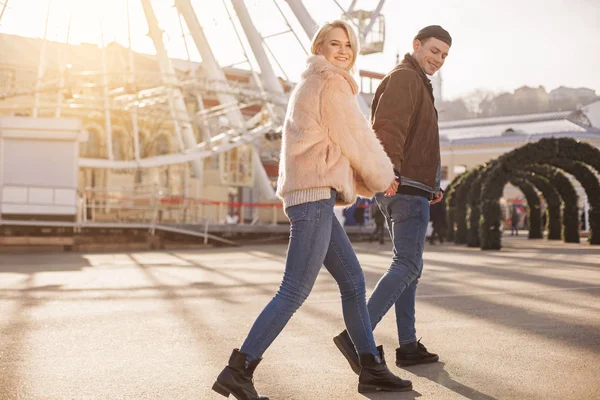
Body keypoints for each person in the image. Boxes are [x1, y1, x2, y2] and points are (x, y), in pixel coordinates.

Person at [212, 20, 412, 400]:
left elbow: (336, 143)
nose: (342, 51)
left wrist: (371, 178)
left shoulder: (308, 82)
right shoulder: (331, 83)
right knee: (293, 290)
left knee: (353, 282)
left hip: (311, 195)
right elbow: (358, 140)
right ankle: (239, 369)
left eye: (348, 46)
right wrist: (384, 176)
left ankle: (370, 367)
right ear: (318, 47)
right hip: (313, 196)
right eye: (334, 44)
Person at [334, 25, 451, 373]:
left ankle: (409, 345)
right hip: (403, 188)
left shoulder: (416, 81)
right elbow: (389, 129)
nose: (438, 59)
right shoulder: (405, 78)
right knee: (407, 265)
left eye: (444, 55)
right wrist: (392, 173)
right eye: (433, 51)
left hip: (414, 187)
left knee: (409, 269)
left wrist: (432, 183)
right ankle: (358, 337)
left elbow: (421, 140)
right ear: (416, 46)